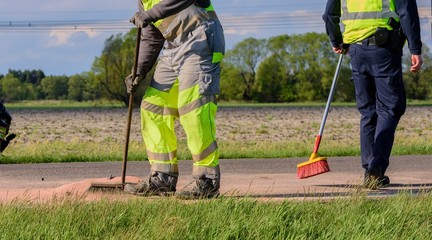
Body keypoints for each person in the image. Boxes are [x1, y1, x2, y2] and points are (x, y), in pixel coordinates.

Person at [123, 0, 225, 199]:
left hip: (201, 42)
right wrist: (139, 71)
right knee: (153, 107)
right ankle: (163, 177)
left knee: (193, 110)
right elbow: (152, 37)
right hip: (173, 48)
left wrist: (150, 14)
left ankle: (207, 181)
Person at [322, 0, 423, 189]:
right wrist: (415, 48)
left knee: (368, 111)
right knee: (391, 107)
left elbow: (329, 15)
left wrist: (336, 40)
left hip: (356, 51)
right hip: (384, 49)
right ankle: (375, 169)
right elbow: (406, 12)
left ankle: (370, 169)